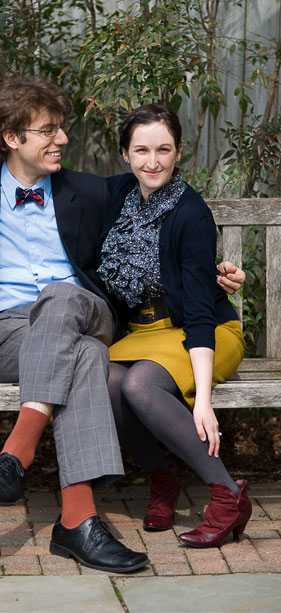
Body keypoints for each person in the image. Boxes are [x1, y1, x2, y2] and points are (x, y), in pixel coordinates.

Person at [0, 78, 244, 573]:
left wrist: (216, 272)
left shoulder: (88, 191)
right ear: (12, 137)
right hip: (10, 334)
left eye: (62, 128)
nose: (63, 140)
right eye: (48, 130)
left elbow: (163, 205)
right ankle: (77, 523)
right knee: (88, 359)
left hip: (86, 313)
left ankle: (17, 451)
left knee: (63, 294)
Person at [100, 104, 251, 547]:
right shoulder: (115, 198)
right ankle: (161, 479)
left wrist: (202, 400)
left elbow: (203, 313)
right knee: (104, 378)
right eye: (141, 149)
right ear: (125, 154)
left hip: (206, 333)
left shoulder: (190, 213)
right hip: (143, 335)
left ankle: (227, 495)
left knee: (139, 386)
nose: (153, 161)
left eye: (164, 149)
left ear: (179, 152)